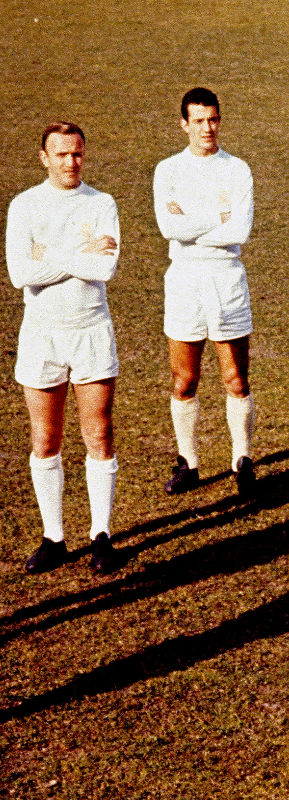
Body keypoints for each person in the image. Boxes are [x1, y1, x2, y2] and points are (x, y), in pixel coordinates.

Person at [6, 122, 121, 574]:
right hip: (41, 335)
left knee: (99, 435)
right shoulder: (24, 205)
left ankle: (101, 536)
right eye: (60, 154)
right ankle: (54, 537)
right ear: (44, 157)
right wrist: (79, 251)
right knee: (46, 438)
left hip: (92, 330)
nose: (70, 162)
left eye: (76, 153)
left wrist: (48, 255)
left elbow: (106, 267)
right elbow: (20, 273)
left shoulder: (103, 202)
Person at [153, 87, 256, 498]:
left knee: (235, 377)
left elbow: (240, 230)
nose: (207, 128)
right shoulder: (167, 171)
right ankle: (189, 462)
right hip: (184, 281)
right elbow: (169, 227)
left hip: (226, 278)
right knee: (184, 379)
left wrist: (193, 219)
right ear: (184, 124)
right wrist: (217, 218)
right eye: (198, 121)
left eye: (212, 119)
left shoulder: (237, 169)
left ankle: (242, 459)